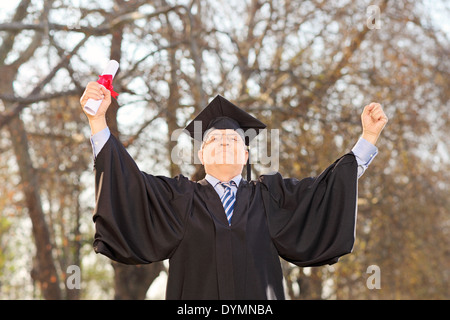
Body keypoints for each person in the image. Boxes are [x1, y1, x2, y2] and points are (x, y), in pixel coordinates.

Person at [80, 81, 387, 300]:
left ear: (246, 155)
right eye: (215, 140)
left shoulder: (272, 198)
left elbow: (326, 193)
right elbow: (128, 186)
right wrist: (98, 121)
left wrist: (368, 138)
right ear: (201, 156)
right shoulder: (178, 199)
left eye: (233, 141)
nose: (225, 143)